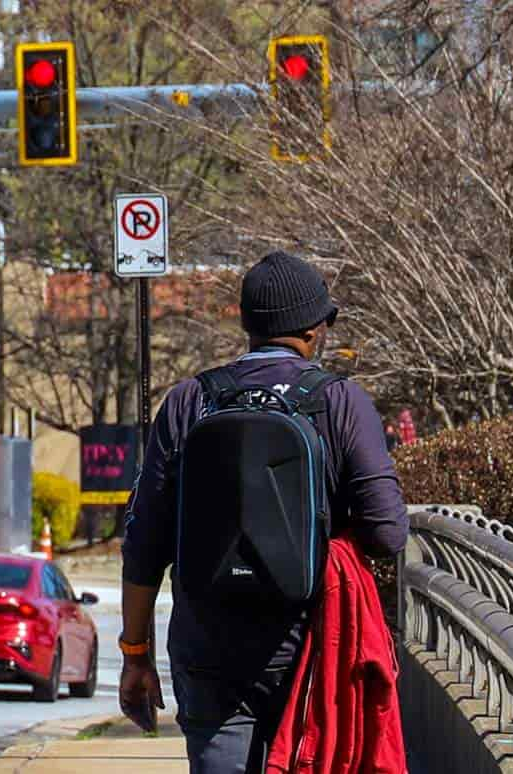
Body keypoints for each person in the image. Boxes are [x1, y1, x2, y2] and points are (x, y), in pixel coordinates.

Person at [116, 251, 408, 773]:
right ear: (316, 330)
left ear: (247, 325)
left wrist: (135, 653)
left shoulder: (190, 402)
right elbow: (387, 532)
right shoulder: (340, 402)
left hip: (208, 647)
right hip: (308, 643)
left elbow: (143, 543)